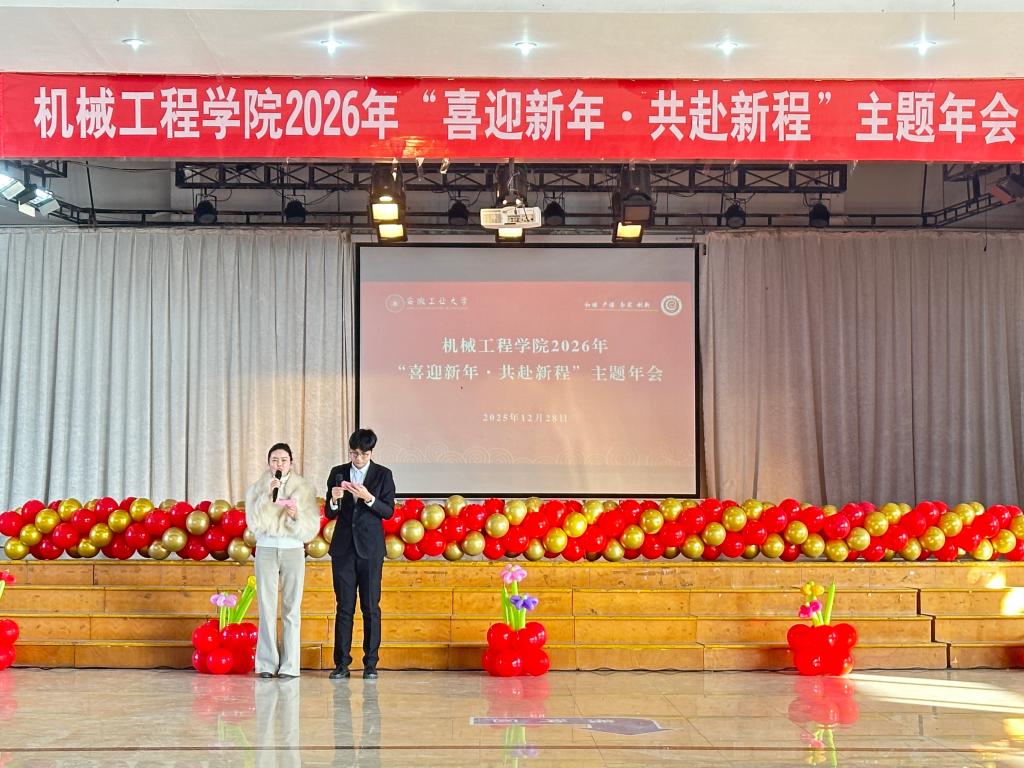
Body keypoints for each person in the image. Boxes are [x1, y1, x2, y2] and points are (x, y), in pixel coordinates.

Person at [244, 442, 321, 679]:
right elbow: (253, 524)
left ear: (291, 463)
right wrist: (267, 497)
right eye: (275, 460)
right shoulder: (257, 488)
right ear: (269, 463)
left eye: (284, 460)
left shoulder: (304, 488)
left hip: (293, 550)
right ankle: (266, 664)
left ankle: (290, 666)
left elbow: (311, 528)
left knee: (291, 609)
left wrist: (296, 516)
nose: (279, 464)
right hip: (266, 549)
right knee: (266, 608)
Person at [325, 428, 396, 680]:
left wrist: (368, 498)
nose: (359, 458)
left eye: (364, 454)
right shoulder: (338, 472)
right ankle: (341, 664)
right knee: (344, 607)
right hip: (343, 549)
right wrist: (334, 500)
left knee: (370, 607)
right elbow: (330, 512)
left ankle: (371, 664)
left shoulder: (383, 475)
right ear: (350, 451)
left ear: (371, 453)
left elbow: (388, 512)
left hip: (371, 549)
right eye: (354, 453)